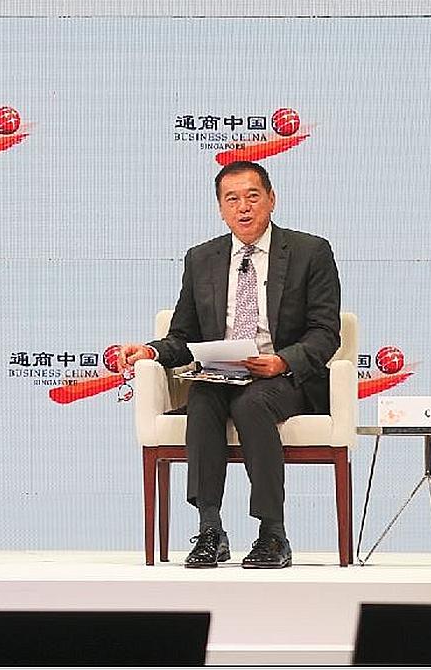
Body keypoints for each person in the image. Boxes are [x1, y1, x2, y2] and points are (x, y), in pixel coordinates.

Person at [121, 160, 341, 569]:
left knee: (251, 404)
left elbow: (326, 332)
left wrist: (282, 361)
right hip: (221, 373)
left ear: (271, 199)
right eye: (232, 199)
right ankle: (210, 531)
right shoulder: (201, 258)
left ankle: (273, 534)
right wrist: (150, 352)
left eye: (252, 196)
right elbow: (181, 336)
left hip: (284, 375)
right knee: (203, 398)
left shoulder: (310, 251)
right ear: (220, 208)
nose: (244, 207)